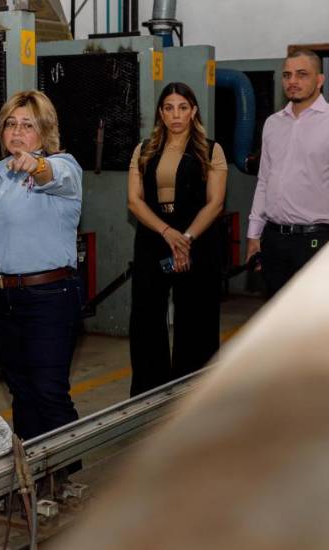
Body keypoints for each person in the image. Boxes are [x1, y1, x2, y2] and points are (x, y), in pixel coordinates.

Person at [0, 90, 83, 441]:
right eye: (10, 124)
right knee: (21, 391)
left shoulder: (64, 167)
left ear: (45, 132)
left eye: (28, 125)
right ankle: (31, 465)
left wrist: (37, 165)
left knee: (49, 391)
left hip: (49, 298)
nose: (17, 132)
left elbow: (56, 175)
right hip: (3, 299)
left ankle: (66, 469)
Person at [127, 82, 228, 397]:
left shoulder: (211, 150)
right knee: (146, 319)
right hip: (154, 236)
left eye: (183, 108)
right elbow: (134, 201)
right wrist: (166, 232)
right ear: (161, 112)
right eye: (169, 108)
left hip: (198, 238)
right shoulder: (143, 150)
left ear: (193, 111)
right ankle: (149, 395)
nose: (176, 115)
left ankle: (195, 395)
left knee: (196, 319)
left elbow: (215, 203)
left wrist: (185, 238)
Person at [245, 49, 329, 297]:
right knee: (275, 313)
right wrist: (254, 235)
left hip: (317, 240)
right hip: (274, 240)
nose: (292, 81)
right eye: (287, 75)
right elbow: (264, 180)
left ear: (319, 80)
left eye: (302, 74)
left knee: (313, 314)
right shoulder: (273, 123)